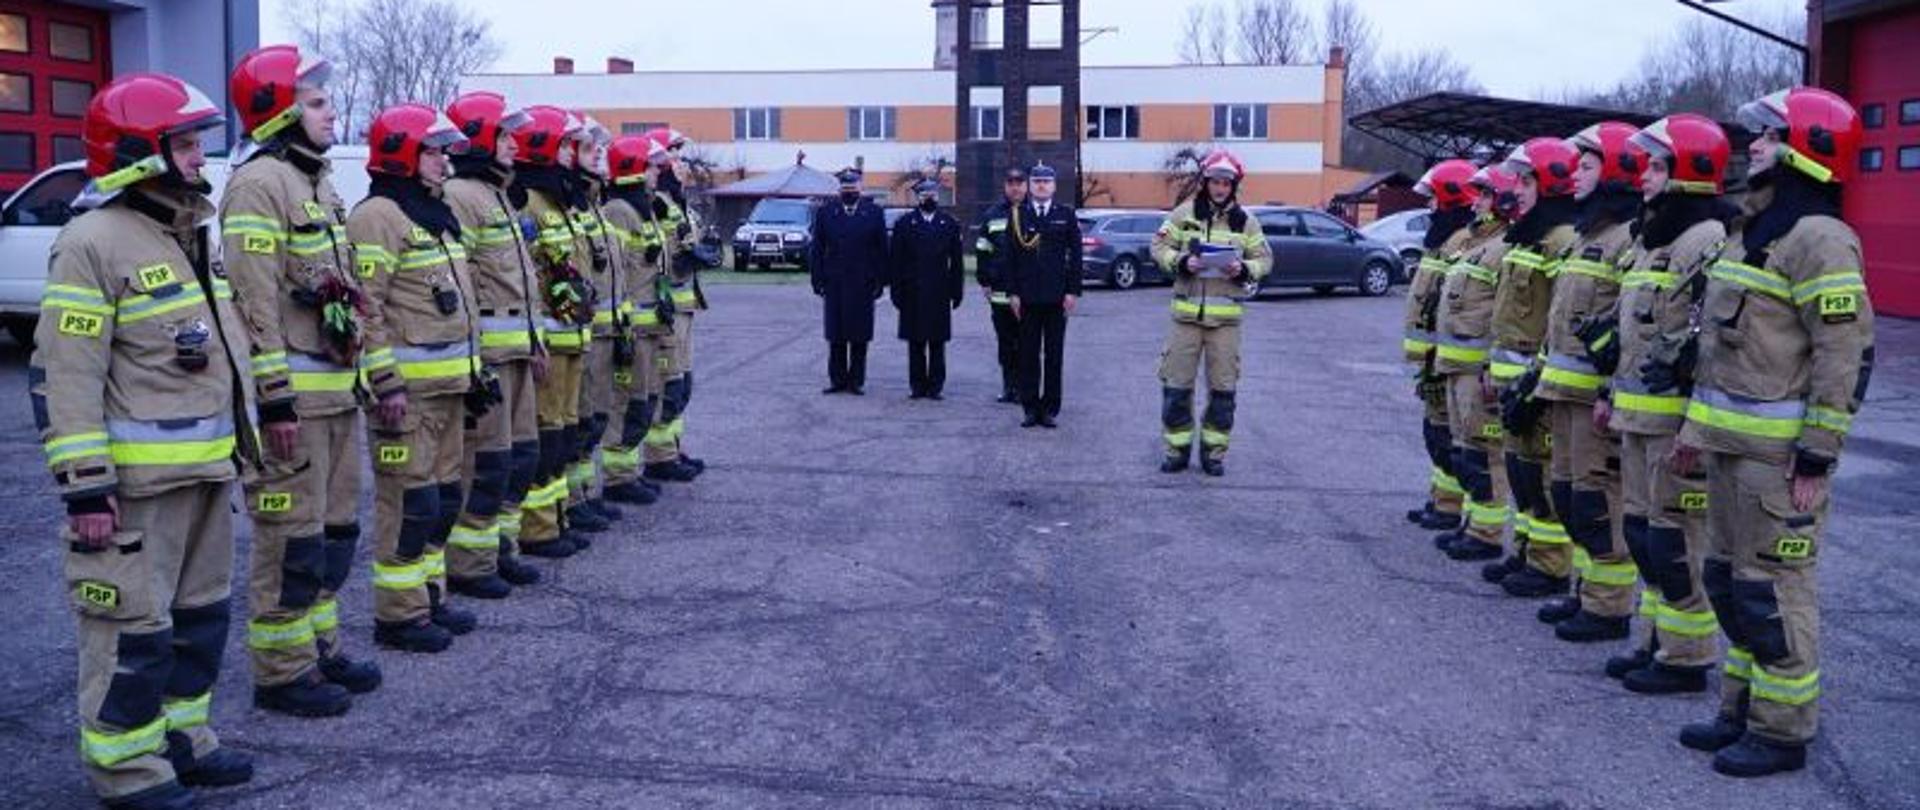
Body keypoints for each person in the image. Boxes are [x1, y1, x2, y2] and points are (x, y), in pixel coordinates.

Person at [34, 72, 256, 810]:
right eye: (186, 144)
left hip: (205, 474)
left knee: (199, 622)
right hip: (134, 489)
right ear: (139, 152)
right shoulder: (92, 242)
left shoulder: (190, 229)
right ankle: (125, 772)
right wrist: (86, 487)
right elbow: (66, 373)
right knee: (130, 630)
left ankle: (182, 741)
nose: (200, 157)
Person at [1673, 87, 1872, 778]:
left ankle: (1783, 729)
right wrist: (1695, 431)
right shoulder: (1754, 231)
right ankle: (1740, 708)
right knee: (1728, 582)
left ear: (1804, 150)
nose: (1751, 145)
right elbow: (1719, 351)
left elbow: (1843, 356)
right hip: (1730, 451)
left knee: (1773, 590)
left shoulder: (1820, 239)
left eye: (1767, 136)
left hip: (1780, 461)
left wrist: (1818, 454)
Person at [221, 44, 380, 719]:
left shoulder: (315, 180)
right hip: (295, 406)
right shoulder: (261, 184)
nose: (330, 111)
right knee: (291, 539)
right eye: (315, 102)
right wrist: (273, 400)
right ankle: (282, 672)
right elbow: (256, 305)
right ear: (278, 111)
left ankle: (320, 647)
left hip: (336, 395)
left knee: (334, 531)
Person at [1597, 113, 1735, 693]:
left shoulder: (1704, 239)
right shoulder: (1652, 237)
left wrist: (1694, 430)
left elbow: (1709, 342)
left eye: (1657, 165)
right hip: (1635, 415)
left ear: (1689, 172)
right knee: (1646, 536)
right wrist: (1608, 392)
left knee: (1676, 544)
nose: (1644, 176)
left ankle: (1686, 658)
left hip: (1673, 424)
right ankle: (1655, 641)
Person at [348, 103, 478, 654]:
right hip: (408, 396)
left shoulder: (433, 211)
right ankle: (399, 615)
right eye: (432, 151)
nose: (442, 160)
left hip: (448, 389)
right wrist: (386, 383)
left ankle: (429, 596)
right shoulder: (378, 215)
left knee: (443, 498)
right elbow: (366, 307)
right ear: (401, 152)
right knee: (408, 504)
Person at [1531, 122, 1648, 644]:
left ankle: (1608, 608)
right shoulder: (1587, 236)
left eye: (1586, 165)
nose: (1574, 175)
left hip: (1595, 402)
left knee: (1600, 503)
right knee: (1571, 497)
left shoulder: (1628, 239)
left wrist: (1610, 393)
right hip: (1563, 395)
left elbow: (1629, 326)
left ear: (1616, 171)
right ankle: (1584, 591)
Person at [442, 91, 548, 598]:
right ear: (479, 139)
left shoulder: (499, 194)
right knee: (484, 463)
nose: (514, 143)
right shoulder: (461, 195)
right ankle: (470, 564)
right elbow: (460, 280)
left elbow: (519, 278)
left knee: (517, 457)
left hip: (519, 351)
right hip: (489, 356)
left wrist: (536, 339)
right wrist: (472, 356)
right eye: (505, 134)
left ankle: (501, 549)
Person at [1480, 139, 1581, 604]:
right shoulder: (1527, 236)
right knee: (1520, 471)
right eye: (1516, 180)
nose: (1515, 189)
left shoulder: (1561, 240)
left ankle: (1551, 565)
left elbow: (1560, 320)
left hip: (1536, 381)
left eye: (1526, 181)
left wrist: (1538, 381)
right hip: (1512, 376)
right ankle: (1525, 550)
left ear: (1551, 183)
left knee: (1541, 475)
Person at [1148, 150, 1271, 475]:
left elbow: (1266, 260)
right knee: (1176, 388)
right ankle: (1177, 451)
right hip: (1185, 319)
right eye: (1215, 181)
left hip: (1225, 323)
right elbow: (1158, 246)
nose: (1220, 188)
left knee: (1223, 391)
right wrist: (1181, 262)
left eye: (1226, 183)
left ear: (1233, 186)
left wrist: (1243, 268)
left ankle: (1213, 455)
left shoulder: (1246, 222)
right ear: (1206, 183)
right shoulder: (1183, 214)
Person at [508, 106, 594, 557]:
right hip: (549, 342)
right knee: (545, 434)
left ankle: (557, 516)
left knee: (563, 434)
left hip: (572, 337)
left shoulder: (561, 201)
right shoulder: (529, 204)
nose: (573, 154)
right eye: (566, 144)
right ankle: (538, 528)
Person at [1432, 166, 1523, 563]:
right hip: (1456, 366)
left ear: (1501, 202)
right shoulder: (1474, 244)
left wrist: (1490, 367)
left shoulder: (1503, 247)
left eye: (1485, 196)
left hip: (1476, 370)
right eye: (1477, 195)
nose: (1476, 202)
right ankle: (1472, 523)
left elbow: (1503, 315)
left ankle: (1487, 534)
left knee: (1486, 454)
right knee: (1466, 452)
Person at [600, 135, 687, 491]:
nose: (658, 171)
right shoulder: (620, 210)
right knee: (627, 404)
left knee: (646, 400)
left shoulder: (646, 207)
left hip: (654, 323)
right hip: (635, 326)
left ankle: (631, 471)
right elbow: (617, 271)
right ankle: (619, 477)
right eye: (651, 166)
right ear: (633, 169)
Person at [1402, 159, 1482, 529]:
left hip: (1450, 354)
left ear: (1452, 198)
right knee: (1436, 431)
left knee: (1451, 433)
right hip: (1435, 354)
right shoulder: (1441, 238)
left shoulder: (1462, 240)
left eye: (1434, 198)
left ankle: (1453, 508)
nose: (1429, 206)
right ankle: (1442, 502)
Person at [565, 114, 627, 528]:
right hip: (577, 334)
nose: (598, 154)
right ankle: (571, 500)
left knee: (593, 416)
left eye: (598, 148)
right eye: (588, 148)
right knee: (576, 421)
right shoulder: (567, 204)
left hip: (601, 330)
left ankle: (584, 493)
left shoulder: (592, 202)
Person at [1008, 163, 1083, 428]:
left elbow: (1075, 256)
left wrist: (1073, 291)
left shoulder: (1066, 215)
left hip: (1056, 297)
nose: (1041, 185)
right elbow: (1011, 257)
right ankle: (1030, 408)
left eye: (1046, 181)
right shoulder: (1018, 215)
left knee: (1054, 355)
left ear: (1054, 186)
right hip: (1027, 297)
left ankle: (1050, 408)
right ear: (1029, 185)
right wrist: (1013, 293)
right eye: (1037, 181)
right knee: (1028, 355)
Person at [809, 168, 888, 395]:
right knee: (836, 334)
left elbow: (881, 249)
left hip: (863, 282)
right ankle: (837, 380)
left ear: (861, 190)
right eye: (845, 189)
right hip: (834, 282)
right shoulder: (826, 213)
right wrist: (817, 279)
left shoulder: (873, 213)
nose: (849, 192)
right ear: (839, 191)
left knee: (859, 334)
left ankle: (856, 381)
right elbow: (817, 249)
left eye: (853, 189)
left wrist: (881, 280)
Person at [888, 178, 965, 399]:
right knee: (916, 341)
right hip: (912, 291)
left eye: (932, 194)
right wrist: (896, 291)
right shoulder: (905, 224)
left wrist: (956, 292)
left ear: (938, 196)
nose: (928, 198)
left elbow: (957, 263)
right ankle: (917, 386)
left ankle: (935, 387)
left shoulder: (949, 223)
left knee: (937, 341)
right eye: (924, 195)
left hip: (939, 291)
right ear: (917, 197)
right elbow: (896, 261)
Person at [974, 168, 1028, 404]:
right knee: (1005, 344)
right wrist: (984, 281)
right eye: (1011, 183)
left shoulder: (1033, 212)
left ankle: (1026, 388)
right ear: (1005, 186)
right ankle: (1009, 387)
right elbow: (982, 250)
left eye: (1019, 183)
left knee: (1027, 343)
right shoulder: (992, 215)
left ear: (1026, 186)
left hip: (1028, 293)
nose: (1015, 187)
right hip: (999, 293)